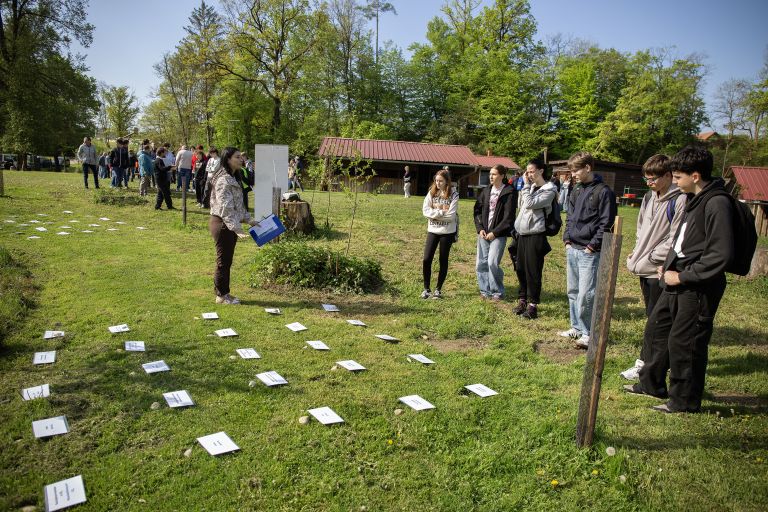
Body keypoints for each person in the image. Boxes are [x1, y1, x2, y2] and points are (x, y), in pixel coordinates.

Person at [627, 146, 734, 413]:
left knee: (686, 342)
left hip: (698, 286)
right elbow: (683, 240)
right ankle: (651, 384)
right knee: (657, 328)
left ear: (695, 175)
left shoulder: (717, 203)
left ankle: (684, 400)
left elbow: (721, 254)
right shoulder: (693, 199)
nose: (674, 182)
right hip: (674, 278)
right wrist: (667, 265)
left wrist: (683, 275)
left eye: (677, 177)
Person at [621, 154, 686, 380]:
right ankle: (650, 362)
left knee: (658, 321)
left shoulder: (679, 200)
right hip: (644, 266)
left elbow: (675, 237)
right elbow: (641, 227)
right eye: (646, 179)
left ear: (668, 175)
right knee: (652, 317)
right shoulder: (649, 197)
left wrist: (652, 256)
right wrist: (638, 250)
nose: (649, 183)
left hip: (661, 269)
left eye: (653, 179)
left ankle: (649, 365)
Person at [558, 151, 616, 348]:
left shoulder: (603, 192)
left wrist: (592, 246)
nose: (573, 174)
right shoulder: (576, 190)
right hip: (572, 247)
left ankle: (588, 332)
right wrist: (566, 239)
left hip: (588, 252)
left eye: (576, 170)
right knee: (573, 291)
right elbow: (570, 217)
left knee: (586, 294)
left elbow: (606, 223)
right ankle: (576, 327)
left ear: (588, 168)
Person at [209, 147, 260, 305]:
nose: (241, 159)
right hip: (223, 224)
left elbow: (238, 205)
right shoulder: (223, 179)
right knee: (223, 261)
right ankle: (221, 296)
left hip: (229, 223)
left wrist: (249, 220)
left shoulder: (234, 176)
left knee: (227, 260)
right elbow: (226, 208)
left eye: (241, 157)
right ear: (228, 159)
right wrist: (236, 228)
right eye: (237, 157)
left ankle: (225, 293)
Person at [512, 159, 557, 318]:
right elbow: (521, 207)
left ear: (541, 171)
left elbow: (530, 203)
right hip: (522, 233)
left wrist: (524, 186)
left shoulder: (549, 190)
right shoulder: (530, 187)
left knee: (533, 271)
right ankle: (522, 300)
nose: (528, 174)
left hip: (536, 235)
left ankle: (532, 306)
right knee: (520, 269)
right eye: (527, 172)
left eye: (531, 171)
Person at [473, 164, 516, 301]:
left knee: (492, 262)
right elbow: (477, 211)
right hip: (484, 233)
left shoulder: (509, 191)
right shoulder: (486, 191)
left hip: (499, 234)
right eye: (490, 174)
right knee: (481, 263)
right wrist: (480, 229)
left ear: (502, 176)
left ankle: (497, 291)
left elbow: (509, 217)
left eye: (494, 174)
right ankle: (484, 290)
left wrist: (495, 233)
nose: (491, 176)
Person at [421, 167, 459, 299]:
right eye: (436, 181)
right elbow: (425, 211)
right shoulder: (431, 193)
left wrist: (435, 213)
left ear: (447, 182)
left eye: (441, 181)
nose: (438, 183)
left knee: (443, 259)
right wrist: (441, 211)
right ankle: (426, 289)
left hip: (447, 232)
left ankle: (438, 289)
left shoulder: (454, 194)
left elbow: (451, 216)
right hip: (433, 230)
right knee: (427, 259)